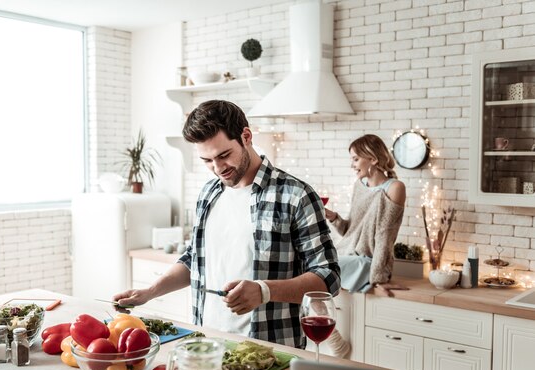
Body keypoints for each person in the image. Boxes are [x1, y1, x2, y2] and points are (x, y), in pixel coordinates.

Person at [112, 100, 340, 349]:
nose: (218, 168)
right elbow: (194, 259)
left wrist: (264, 291)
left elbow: (328, 277)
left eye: (224, 155)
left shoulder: (296, 195)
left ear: (246, 136)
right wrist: (151, 292)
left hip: (270, 350)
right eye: (207, 160)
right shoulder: (209, 193)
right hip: (207, 342)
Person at [325, 134, 408, 296]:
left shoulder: (395, 188)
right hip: (347, 254)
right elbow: (350, 231)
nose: (352, 165)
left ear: (373, 159)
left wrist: (379, 278)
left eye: (355, 159)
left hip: (368, 263)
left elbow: (384, 237)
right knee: (312, 262)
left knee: (323, 268)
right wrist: (333, 217)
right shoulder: (359, 185)